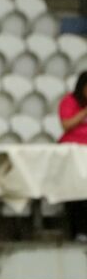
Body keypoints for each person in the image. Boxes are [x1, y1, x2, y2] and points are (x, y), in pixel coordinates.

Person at [58, 71, 87, 241]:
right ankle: (78, 231)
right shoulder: (69, 101)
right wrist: (84, 112)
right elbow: (66, 124)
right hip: (73, 153)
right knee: (75, 192)